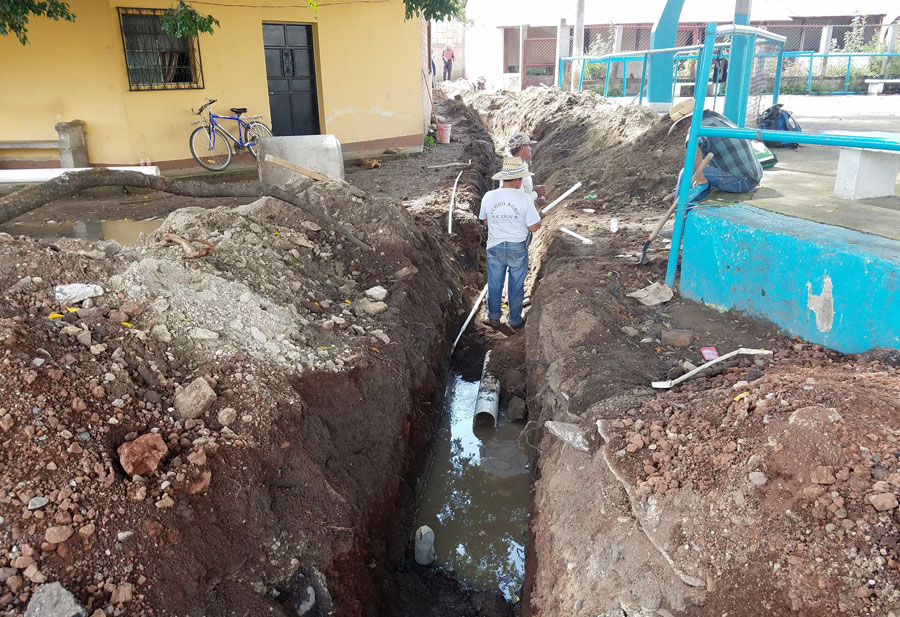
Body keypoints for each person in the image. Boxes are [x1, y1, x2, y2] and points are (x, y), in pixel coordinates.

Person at [479, 157, 543, 329]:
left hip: (494, 247)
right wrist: (538, 220)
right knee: (516, 285)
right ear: (515, 180)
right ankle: (515, 320)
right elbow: (533, 227)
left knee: (494, 284)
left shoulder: (489, 196)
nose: (521, 182)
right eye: (521, 179)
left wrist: (500, 222)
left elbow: (484, 220)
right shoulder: (524, 199)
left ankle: (493, 317)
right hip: (517, 248)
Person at [668, 97, 762, 200]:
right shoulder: (716, 118)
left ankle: (681, 209)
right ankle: (696, 202)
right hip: (753, 177)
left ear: (690, 119)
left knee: (687, 172)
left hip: (742, 181)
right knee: (701, 167)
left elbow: (692, 148)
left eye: (681, 125)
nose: (681, 130)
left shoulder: (697, 127)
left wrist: (700, 178)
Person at [505, 131, 546, 209]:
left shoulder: (522, 165)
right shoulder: (514, 169)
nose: (530, 148)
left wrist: (533, 190)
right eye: (528, 145)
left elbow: (521, 192)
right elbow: (518, 202)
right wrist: (536, 193)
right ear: (522, 148)